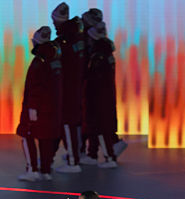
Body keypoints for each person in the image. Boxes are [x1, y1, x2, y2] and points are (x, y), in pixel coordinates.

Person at [17, 27, 63, 182]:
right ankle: (45, 170)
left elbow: (36, 86)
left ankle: (32, 170)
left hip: (38, 107)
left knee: (27, 135)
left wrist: (32, 108)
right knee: (46, 138)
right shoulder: (55, 60)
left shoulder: (39, 62)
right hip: (52, 107)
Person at [82, 21, 124, 167]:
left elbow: (94, 78)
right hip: (103, 95)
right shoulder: (106, 52)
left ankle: (109, 157)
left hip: (98, 96)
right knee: (95, 126)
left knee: (100, 127)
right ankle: (92, 154)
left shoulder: (98, 56)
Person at [52, 4, 85, 174]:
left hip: (67, 88)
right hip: (77, 86)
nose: (53, 24)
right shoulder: (77, 37)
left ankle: (73, 162)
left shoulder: (63, 41)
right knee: (74, 123)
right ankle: (76, 155)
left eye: (54, 21)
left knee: (68, 123)